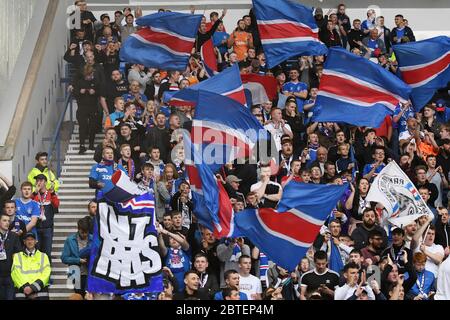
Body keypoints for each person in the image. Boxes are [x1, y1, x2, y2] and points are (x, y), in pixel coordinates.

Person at [73, 64, 105, 154]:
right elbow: (74, 93)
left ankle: (91, 144)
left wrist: (94, 92)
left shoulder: (96, 81)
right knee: (82, 126)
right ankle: (82, 145)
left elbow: (101, 92)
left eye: (90, 75)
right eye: (87, 75)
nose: (89, 77)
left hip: (93, 107)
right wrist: (79, 92)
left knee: (92, 126)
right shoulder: (79, 82)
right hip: (82, 107)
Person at [11, 233, 51, 300]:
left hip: (39, 288)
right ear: (24, 242)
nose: (30, 242)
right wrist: (26, 287)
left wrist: (33, 287)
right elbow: (15, 273)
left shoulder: (43, 256)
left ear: (35, 241)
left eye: (32, 239)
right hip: (23, 289)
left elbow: (46, 273)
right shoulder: (17, 256)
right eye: (27, 240)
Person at [61, 218, 92, 296]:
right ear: (78, 229)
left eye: (86, 232)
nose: (84, 234)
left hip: (90, 272)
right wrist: (78, 260)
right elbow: (64, 258)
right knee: (79, 294)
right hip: (75, 272)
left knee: (89, 295)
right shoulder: (70, 240)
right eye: (82, 232)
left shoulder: (93, 239)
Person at [32, 174, 59, 262]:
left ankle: (48, 274)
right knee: (37, 252)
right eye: (37, 180)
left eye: (41, 180)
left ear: (45, 182)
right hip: (36, 227)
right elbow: (29, 204)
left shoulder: (50, 193)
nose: (38, 182)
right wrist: (35, 193)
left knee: (47, 252)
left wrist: (53, 193)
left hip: (47, 228)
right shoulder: (35, 194)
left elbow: (56, 204)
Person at [157, 223, 191, 292]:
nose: (174, 239)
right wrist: (160, 233)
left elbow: (183, 242)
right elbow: (162, 246)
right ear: (169, 242)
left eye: (175, 238)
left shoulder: (186, 250)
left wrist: (167, 232)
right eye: (171, 239)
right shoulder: (167, 251)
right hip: (171, 287)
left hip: (186, 288)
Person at [0, 214, 22, 300]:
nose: (7, 223)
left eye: (8, 221)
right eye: (4, 220)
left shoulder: (14, 236)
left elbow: (18, 253)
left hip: (10, 275)